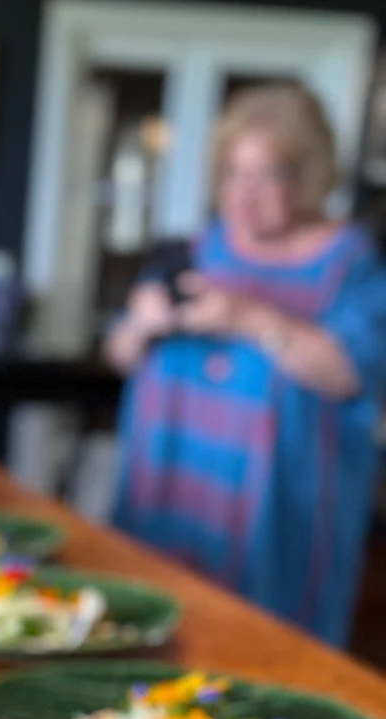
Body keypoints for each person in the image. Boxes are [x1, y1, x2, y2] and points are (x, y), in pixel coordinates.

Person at [105, 82, 386, 647]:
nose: (244, 194)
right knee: (148, 634)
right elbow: (120, 354)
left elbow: (352, 373)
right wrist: (142, 323)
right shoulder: (197, 247)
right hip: (170, 488)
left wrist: (249, 318)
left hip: (273, 514)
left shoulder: (349, 261)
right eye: (234, 174)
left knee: (256, 651)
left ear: (307, 176)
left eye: (268, 175)